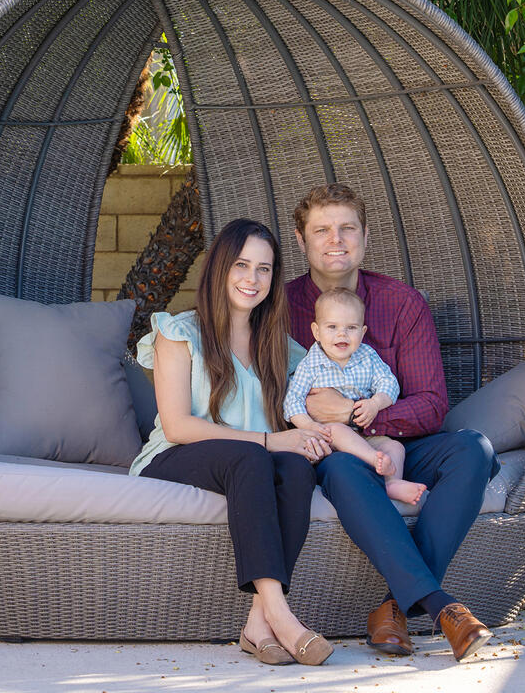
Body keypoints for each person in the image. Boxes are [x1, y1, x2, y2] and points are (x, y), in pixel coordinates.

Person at [286, 183, 501, 663]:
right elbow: (266, 397)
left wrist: (358, 415)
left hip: (401, 445)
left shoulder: (402, 303)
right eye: (321, 230)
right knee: (343, 469)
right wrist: (333, 431)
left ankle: (392, 608)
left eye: (347, 228)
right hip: (329, 452)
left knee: (475, 450)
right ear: (301, 241)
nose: (335, 239)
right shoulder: (276, 309)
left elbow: (431, 403)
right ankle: (441, 606)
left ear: (365, 236)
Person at [128, 218, 335, 666]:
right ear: (220, 268)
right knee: (254, 457)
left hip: (248, 462)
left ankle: (257, 623)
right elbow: (179, 426)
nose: (252, 278)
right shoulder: (178, 332)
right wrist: (271, 438)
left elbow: (317, 407)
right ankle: (282, 615)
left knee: (297, 468)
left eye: (264, 269)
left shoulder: (282, 347)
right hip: (173, 456)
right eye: (241, 265)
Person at [283, 286, 427, 506]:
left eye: (351, 327)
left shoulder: (368, 356)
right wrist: (309, 426)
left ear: (363, 331)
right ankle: (373, 460)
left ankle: (392, 483)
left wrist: (375, 404)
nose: (342, 334)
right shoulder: (310, 365)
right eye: (332, 327)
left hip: (365, 434)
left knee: (395, 447)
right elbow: (292, 400)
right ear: (317, 331)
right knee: (338, 429)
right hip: (328, 438)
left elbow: (389, 383)